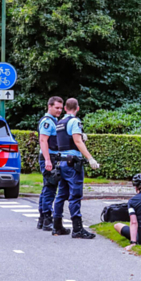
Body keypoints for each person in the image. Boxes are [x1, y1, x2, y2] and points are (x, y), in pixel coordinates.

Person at [52, 98, 100, 239]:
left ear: (65, 108)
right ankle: (77, 229)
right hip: (72, 163)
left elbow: (65, 140)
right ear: (77, 108)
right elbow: (77, 141)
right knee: (75, 196)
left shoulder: (60, 123)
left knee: (61, 195)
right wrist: (90, 158)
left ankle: (57, 226)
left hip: (62, 162)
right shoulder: (74, 122)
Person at [36, 96, 64, 232]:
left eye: (61, 108)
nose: (59, 110)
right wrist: (47, 160)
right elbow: (43, 140)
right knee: (50, 188)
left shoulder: (54, 121)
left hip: (51, 157)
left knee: (48, 187)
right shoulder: (47, 122)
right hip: (49, 157)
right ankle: (47, 219)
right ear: (49, 106)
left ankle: (42, 219)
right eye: (56, 108)